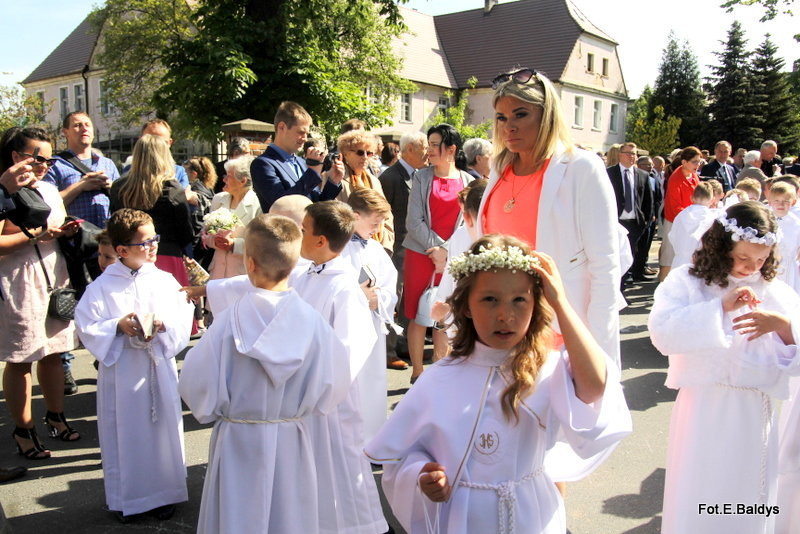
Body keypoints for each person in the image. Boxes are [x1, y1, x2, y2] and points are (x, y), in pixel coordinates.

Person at [365, 235, 631, 534]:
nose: (505, 315)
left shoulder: (547, 369)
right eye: (490, 299)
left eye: (520, 300)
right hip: (462, 518)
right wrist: (422, 476)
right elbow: (407, 454)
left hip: (531, 515)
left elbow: (595, 387)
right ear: (466, 306)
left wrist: (560, 302)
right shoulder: (439, 378)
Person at [179, 214, 351, 534]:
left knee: (237, 518)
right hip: (293, 440)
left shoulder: (227, 325)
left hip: (238, 441)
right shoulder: (314, 326)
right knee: (291, 518)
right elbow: (334, 385)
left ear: (250, 263)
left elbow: (194, 384)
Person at [649, 201, 800, 534]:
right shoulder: (688, 282)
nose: (751, 267)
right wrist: (719, 308)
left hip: (753, 411)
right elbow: (662, 333)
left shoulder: (776, 291)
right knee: (701, 489)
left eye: (761, 260)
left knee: (747, 496)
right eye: (743, 257)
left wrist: (784, 326)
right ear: (722, 246)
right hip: (702, 407)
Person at [477, 67, 621, 365]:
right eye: (502, 118)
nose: (509, 127)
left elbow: (605, 265)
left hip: (559, 330)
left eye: (520, 114)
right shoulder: (499, 169)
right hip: (502, 330)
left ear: (547, 116)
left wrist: (595, 348)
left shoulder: (581, 168)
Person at [74, 209, 193, 522]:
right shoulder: (101, 288)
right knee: (125, 434)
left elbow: (184, 315)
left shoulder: (165, 280)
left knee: (163, 432)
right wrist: (116, 325)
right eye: (145, 242)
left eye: (155, 238)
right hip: (123, 371)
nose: (154, 245)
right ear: (122, 250)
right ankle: (129, 500)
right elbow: (87, 324)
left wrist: (167, 324)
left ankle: (166, 493)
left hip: (157, 366)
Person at [289, 201, 387, 534]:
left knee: (344, 467)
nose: (298, 235)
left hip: (330, 397)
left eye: (303, 229)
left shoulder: (344, 287)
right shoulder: (305, 273)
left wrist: (318, 387)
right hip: (303, 392)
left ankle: (365, 526)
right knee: (312, 471)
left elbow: (350, 348)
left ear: (320, 240)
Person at [0, 127, 80, 461]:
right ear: (17, 157)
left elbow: (50, 231)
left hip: (53, 275)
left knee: (54, 351)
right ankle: (23, 428)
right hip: (18, 280)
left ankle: (55, 415)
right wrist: (36, 235)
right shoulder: (3, 190)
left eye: (49, 158)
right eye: (38, 158)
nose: (45, 165)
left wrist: (63, 232)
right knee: (22, 357)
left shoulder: (48, 188)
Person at [404, 124, 473, 383]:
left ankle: (440, 371)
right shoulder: (421, 177)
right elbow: (414, 221)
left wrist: (446, 251)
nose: (428, 150)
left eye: (434, 145)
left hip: (451, 257)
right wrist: (436, 248)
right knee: (417, 313)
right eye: (428, 144)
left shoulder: (468, 181)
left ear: (451, 149)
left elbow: (467, 222)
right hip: (420, 254)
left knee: (444, 309)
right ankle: (417, 371)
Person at [342, 188, 398, 441]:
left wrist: (379, 299)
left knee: (372, 382)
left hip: (372, 326)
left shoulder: (375, 249)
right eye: (375, 222)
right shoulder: (336, 248)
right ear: (354, 216)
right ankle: (347, 440)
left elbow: (390, 286)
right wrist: (356, 296)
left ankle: (372, 438)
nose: (378, 228)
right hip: (345, 327)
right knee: (348, 384)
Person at [109, 134, 194, 288]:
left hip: (130, 258)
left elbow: (114, 224)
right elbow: (186, 233)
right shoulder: (172, 189)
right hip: (167, 256)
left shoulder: (119, 187)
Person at [250, 101, 343, 211]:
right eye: (300, 132)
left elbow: (316, 207)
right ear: (282, 127)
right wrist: (313, 172)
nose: (305, 138)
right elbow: (282, 205)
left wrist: (333, 181)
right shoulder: (263, 164)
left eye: (307, 134)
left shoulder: (302, 162)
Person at [335, 128, 395, 252]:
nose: (365, 157)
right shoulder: (334, 178)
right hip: (348, 249)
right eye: (360, 152)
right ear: (346, 153)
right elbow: (335, 217)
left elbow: (386, 215)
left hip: (377, 247)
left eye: (370, 153)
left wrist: (386, 246)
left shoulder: (374, 181)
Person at [204, 156, 262, 280]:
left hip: (242, 274)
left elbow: (261, 243)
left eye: (228, 176)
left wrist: (234, 245)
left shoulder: (258, 204)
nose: (223, 179)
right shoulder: (218, 199)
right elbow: (205, 233)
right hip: (217, 272)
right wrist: (214, 240)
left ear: (243, 181)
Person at [608, 142, 654, 283]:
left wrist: (645, 221)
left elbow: (648, 200)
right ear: (620, 155)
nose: (631, 157)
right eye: (628, 153)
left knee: (630, 254)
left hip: (635, 223)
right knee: (616, 256)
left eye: (634, 154)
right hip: (616, 222)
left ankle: (626, 283)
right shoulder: (610, 173)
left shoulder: (643, 175)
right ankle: (618, 286)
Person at [659, 146, 702, 281]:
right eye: (694, 162)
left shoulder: (694, 176)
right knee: (669, 256)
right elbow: (675, 205)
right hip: (675, 222)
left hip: (689, 221)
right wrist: (691, 217)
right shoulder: (675, 178)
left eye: (699, 161)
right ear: (684, 162)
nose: (698, 164)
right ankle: (662, 285)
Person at [668, 182, 715, 268]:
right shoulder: (711, 218)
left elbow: (672, 236)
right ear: (712, 200)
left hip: (680, 262)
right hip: (701, 262)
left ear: (692, 198)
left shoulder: (681, 215)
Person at [184, 156, 218, 269]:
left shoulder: (193, 193)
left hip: (195, 243)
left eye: (185, 172)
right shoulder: (209, 190)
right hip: (205, 243)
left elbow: (194, 223)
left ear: (194, 173)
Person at [768, 182, 800, 292]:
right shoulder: (766, 219)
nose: (781, 205)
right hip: (769, 264)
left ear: (793, 202)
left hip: (788, 267)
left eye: (786, 201)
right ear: (770, 202)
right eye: (777, 201)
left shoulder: (796, 223)